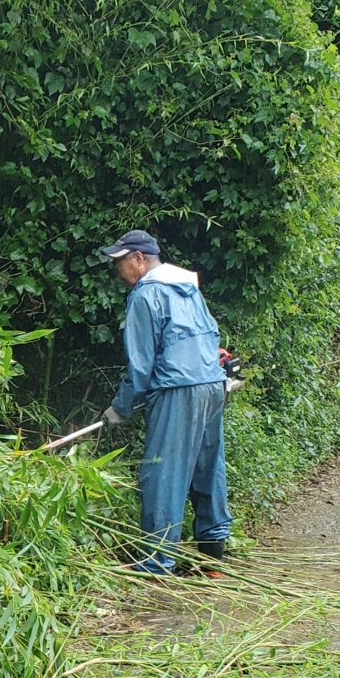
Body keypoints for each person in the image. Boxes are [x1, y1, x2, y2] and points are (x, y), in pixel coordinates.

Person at [98, 229, 233, 575]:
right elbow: (213, 336)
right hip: (213, 384)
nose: (118, 272)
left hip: (178, 390)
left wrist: (120, 408)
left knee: (163, 472)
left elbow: (141, 365)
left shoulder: (146, 295)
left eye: (120, 263)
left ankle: (158, 561)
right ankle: (213, 555)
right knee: (208, 468)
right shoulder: (188, 287)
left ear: (139, 260)